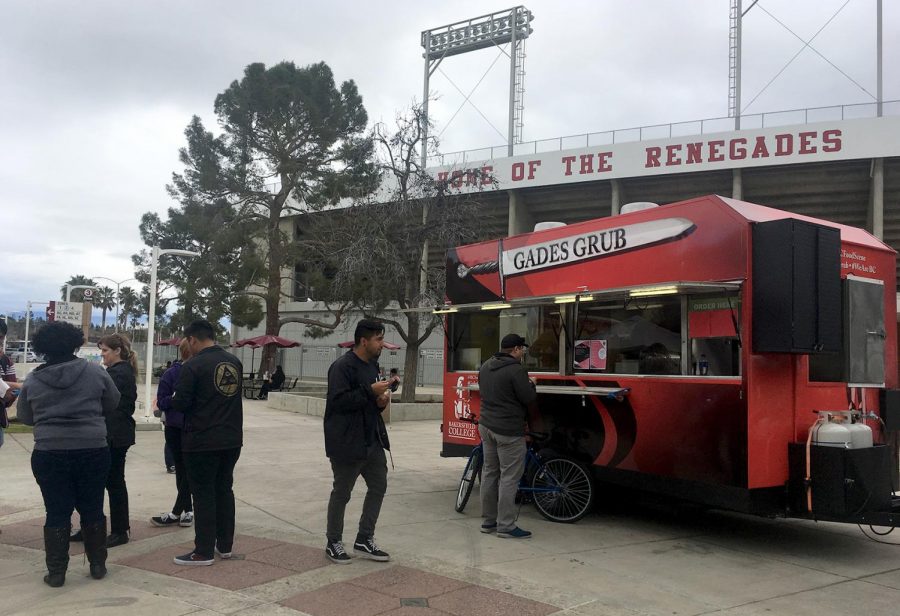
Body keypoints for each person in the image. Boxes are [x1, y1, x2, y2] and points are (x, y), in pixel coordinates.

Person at [16, 321, 120, 586]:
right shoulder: (95, 372)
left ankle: (57, 572)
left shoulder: (34, 379)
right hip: (93, 449)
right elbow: (113, 402)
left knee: (56, 510)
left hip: (50, 451)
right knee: (93, 506)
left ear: (43, 348)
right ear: (75, 343)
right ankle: (97, 565)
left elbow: (26, 418)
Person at [172, 319, 243, 566]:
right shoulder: (233, 362)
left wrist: (168, 401)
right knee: (224, 490)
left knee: (202, 494)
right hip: (231, 438)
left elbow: (181, 402)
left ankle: (203, 550)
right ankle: (224, 545)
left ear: (192, 339)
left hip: (202, 439)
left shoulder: (193, 366)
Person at [323, 319, 392, 564]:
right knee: (342, 492)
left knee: (379, 485)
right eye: (378, 339)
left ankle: (364, 538)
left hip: (371, 439)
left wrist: (379, 402)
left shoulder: (373, 365)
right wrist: (370, 392)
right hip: (346, 442)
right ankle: (333, 541)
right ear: (364, 341)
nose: (382, 344)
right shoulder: (342, 367)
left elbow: (367, 402)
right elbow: (338, 402)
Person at [477, 333, 538, 539]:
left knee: (490, 473)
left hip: (486, 426)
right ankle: (506, 526)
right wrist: (532, 384)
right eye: (523, 349)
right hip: (508, 430)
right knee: (509, 477)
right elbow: (527, 397)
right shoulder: (517, 370)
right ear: (516, 350)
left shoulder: (485, 365)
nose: (523, 353)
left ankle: (488, 521)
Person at [94, 333, 138, 548]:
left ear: (117, 351)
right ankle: (99, 526)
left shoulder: (118, 373)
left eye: (105, 351)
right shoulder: (118, 371)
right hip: (114, 433)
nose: (102, 355)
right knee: (108, 482)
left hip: (115, 435)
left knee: (114, 483)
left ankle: (120, 530)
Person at [150, 338, 194, 528]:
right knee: (181, 470)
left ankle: (183, 510)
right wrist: (176, 398)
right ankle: (186, 509)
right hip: (175, 428)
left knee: (189, 470)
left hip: (194, 428)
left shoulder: (202, 372)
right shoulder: (171, 374)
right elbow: (161, 402)